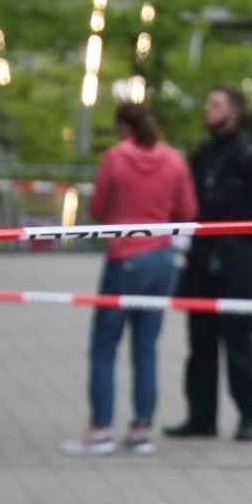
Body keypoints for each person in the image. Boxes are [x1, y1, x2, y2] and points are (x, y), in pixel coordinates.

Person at [62, 103, 198, 457]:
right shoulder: (173, 159)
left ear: (123, 126)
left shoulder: (116, 158)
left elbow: (96, 209)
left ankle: (100, 428)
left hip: (125, 259)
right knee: (146, 347)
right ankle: (141, 428)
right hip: (163, 261)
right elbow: (188, 211)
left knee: (105, 345)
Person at [166, 85, 252, 442]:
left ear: (234, 113)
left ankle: (248, 415)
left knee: (239, 340)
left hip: (237, 259)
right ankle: (201, 417)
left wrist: (243, 250)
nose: (207, 109)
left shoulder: (251, 158)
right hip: (201, 257)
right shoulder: (201, 155)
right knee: (199, 341)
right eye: (207, 102)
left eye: (215, 105)